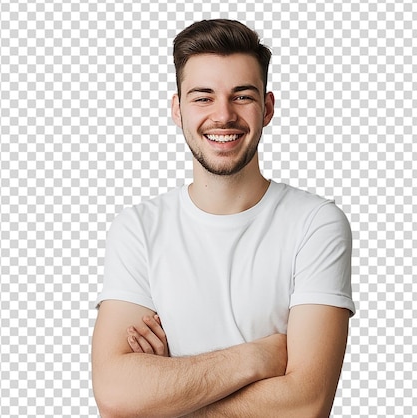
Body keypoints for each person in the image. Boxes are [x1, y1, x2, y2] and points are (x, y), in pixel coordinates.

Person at [92, 19, 356, 418]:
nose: (223, 115)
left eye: (242, 96)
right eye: (202, 97)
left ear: (266, 108)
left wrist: (165, 395)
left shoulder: (316, 224)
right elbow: (114, 394)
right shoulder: (138, 229)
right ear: (177, 110)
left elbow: (306, 404)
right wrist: (257, 357)